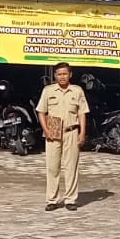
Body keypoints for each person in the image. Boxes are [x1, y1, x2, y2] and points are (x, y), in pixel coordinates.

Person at [39, 62, 89, 211]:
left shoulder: (77, 91)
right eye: (59, 74)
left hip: (71, 131)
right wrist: (46, 130)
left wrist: (82, 132)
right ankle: (52, 199)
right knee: (53, 167)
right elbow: (41, 112)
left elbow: (82, 113)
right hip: (53, 131)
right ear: (55, 75)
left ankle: (70, 199)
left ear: (70, 75)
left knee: (71, 166)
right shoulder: (48, 90)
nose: (62, 77)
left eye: (65, 74)